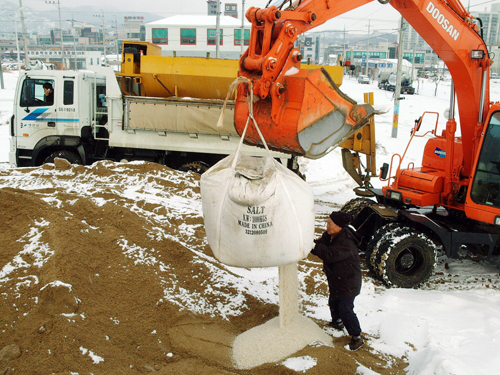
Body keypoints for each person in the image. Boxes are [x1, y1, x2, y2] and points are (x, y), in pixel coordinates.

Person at [310, 210, 364, 351]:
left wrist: (315, 246)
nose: (327, 226)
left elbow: (329, 254)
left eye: (329, 223)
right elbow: (319, 246)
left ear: (339, 226)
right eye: (327, 222)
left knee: (345, 308)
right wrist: (309, 245)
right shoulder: (330, 236)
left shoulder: (346, 242)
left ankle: (356, 337)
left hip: (349, 281)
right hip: (337, 279)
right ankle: (337, 322)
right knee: (333, 301)